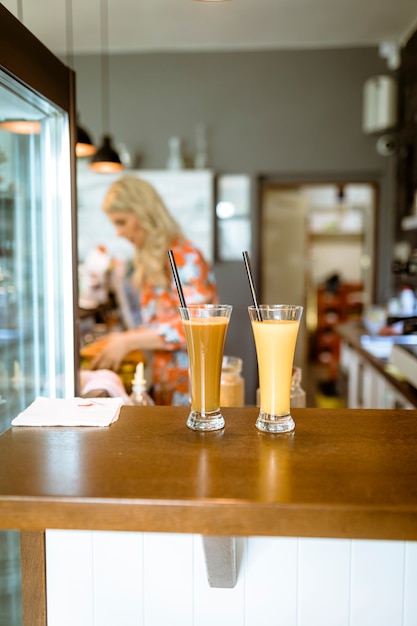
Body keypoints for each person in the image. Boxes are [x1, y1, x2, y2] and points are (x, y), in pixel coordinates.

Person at [89, 175, 218, 405]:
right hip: (166, 386)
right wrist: (122, 338)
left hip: (191, 391)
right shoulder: (153, 259)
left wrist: (128, 341)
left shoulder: (185, 257)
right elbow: (160, 322)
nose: (118, 232)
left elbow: (196, 324)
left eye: (121, 222)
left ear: (144, 215)